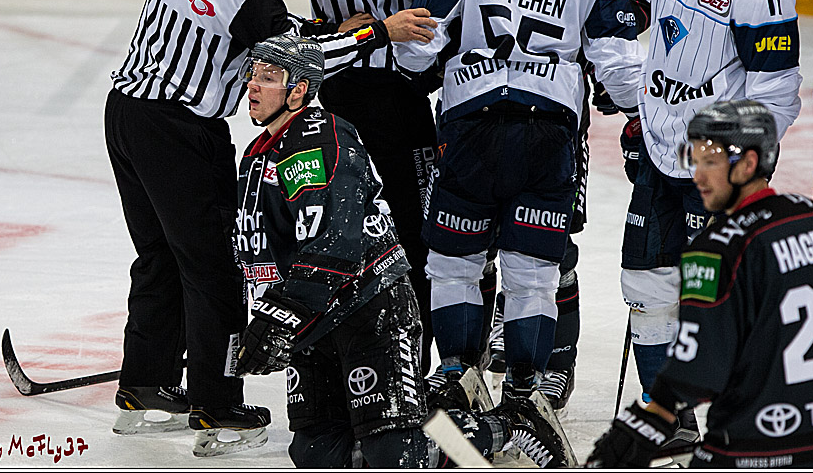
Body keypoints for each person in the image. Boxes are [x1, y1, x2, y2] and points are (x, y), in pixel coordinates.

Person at [105, 0, 436, 457]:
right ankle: (217, 404)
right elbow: (297, 58)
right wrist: (379, 32)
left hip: (126, 115)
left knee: (158, 257)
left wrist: (327, 25)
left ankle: (144, 388)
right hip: (181, 133)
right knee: (212, 269)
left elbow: (264, 28)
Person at [231, 33, 570, 468]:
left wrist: (276, 318)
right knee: (317, 456)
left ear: (299, 90)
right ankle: (432, 411)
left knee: (396, 457)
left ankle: (506, 425)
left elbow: (333, 246)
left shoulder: (318, 141)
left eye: (268, 77)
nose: (253, 86)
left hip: (370, 311)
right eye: (253, 76)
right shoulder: (259, 154)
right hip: (314, 321)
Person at [394, 0, 644, 418]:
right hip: (551, 134)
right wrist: (641, 116)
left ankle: (456, 373)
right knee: (533, 272)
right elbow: (622, 77)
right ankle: (527, 392)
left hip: (471, 129)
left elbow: (417, 50)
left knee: (455, 263)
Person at [587, 100, 813, 469]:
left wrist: (643, 424)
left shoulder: (717, 249)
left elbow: (696, 370)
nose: (697, 175)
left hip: (750, 451)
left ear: (749, 164)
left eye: (710, 162)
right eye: (695, 159)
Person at [619, 0, 803, 438]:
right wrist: (638, 117)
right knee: (646, 287)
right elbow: (663, 48)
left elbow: (777, 94)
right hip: (658, 152)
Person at [306, 0, 483, 374]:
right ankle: (418, 373)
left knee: (347, 226)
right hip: (385, 97)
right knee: (414, 231)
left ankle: (345, 364)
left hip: (338, 90)